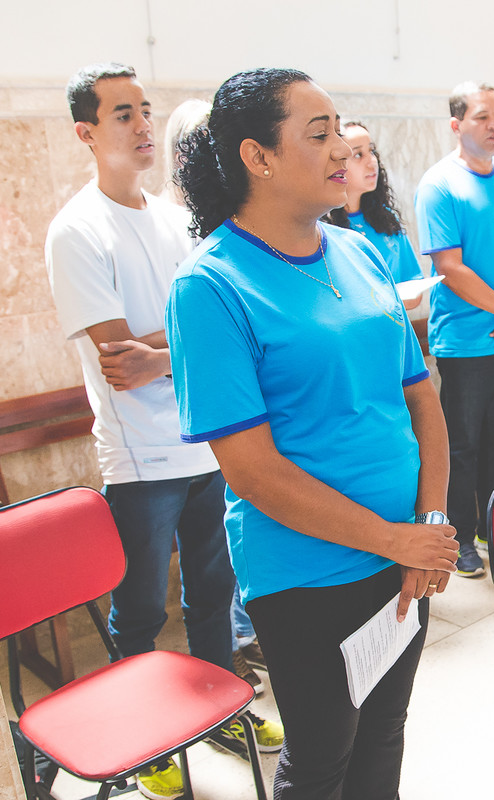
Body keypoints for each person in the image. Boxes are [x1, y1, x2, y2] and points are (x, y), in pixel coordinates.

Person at [167, 67, 458, 800]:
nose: (344, 153)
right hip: (307, 571)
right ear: (257, 157)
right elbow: (253, 473)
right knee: (326, 749)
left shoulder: (357, 252)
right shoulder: (212, 286)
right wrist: (396, 540)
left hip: (405, 548)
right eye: (319, 134)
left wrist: (428, 521)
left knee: (385, 732)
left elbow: (422, 402)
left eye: (342, 132)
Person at [43, 63, 237, 800]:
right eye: (123, 113)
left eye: (145, 109)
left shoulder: (170, 217)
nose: (143, 124)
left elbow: (206, 330)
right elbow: (122, 363)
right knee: (142, 607)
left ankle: (216, 709)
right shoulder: (78, 230)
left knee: (214, 589)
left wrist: (165, 350)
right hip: (140, 457)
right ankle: (146, 738)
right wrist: (173, 345)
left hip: (204, 438)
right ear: (87, 132)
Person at [159, 96, 275, 700]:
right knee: (189, 577)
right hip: (171, 439)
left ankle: (234, 650)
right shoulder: (188, 244)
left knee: (216, 565)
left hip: (233, 417)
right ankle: (216, 664)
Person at [413, 81, 494, 577]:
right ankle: (462, 538)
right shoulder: (439, 185)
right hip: (467, 342)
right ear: (456, 125)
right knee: (461, 447)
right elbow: (451, 267)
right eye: (482, 117)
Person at [326, 120, 423, 311]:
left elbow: (415, 287)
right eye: (358, 154)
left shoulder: (387, 219)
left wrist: (381, 301)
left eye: (372, 151)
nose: (371, 161)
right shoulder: (322, 227)